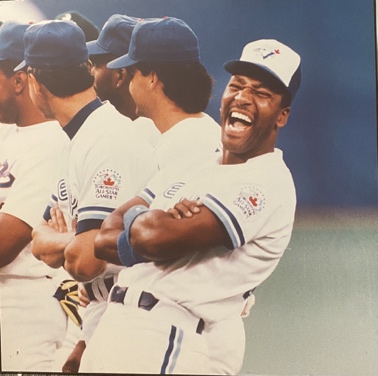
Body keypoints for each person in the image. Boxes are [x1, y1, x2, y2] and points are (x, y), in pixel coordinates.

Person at [81, 38, 302, 374]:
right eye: (237, 85)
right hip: (116, 324)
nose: (243, 97)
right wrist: (151, 223)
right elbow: (102, 236)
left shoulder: (268, 181)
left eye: (262, 93)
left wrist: (144, 222)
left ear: (281, 116)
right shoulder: (195, 163)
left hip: (165, 336)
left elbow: (152, 238)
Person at [19, 18, 156, 369]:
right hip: (99, 311)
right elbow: (38, 242)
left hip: (131, 314)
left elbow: (85, 262)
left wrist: (73, 240)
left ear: (35, 82)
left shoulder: (107, 138)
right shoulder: (78, 137)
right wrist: (75, 239)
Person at [0, 20, 69, 372]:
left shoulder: (52, 143)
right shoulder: (11, 137)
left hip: (23, 307)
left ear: (18, 79)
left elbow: (3, 244)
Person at [107, 16, 222, 170]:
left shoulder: (178, 148)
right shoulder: (204, 129)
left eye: (132, 74)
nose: (130, 84)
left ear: (152, 79)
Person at [87, 13, 159, 147]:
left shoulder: (136, 139)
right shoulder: (154, 128)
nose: (91, 72)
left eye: (96, 65)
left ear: (120, 76)